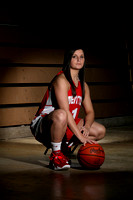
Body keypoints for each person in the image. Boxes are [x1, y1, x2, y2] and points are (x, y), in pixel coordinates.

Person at [30, 48, 106, 170]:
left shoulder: (83, 85)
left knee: (100, 130)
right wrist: (80, 137)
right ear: (68, 59)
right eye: (74, 56)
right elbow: (65, 111)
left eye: (81, 57)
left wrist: (86, 127)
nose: (78, 60)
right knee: (61, 114)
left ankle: (64, 147)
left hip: (66, 124)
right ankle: (56, 156)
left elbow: (90, 112)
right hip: (44, 125)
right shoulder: (61, 80)